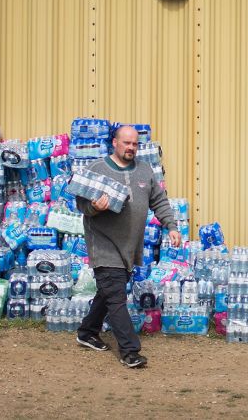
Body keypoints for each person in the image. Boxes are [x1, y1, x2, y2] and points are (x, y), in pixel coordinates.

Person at [74, 124, 181, 368]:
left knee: (109, 292)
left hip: (129, 247)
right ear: (114, 142)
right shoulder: (97, 169)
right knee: (116, 296)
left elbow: (159, 202)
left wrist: (171, 226)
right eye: (127, 143)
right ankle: (130, 351)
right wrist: (94, 208)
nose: (131, 147)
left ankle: (87, 331)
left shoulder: (144, 171)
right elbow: (81, 202)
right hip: (104, 244)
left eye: (135, 144)